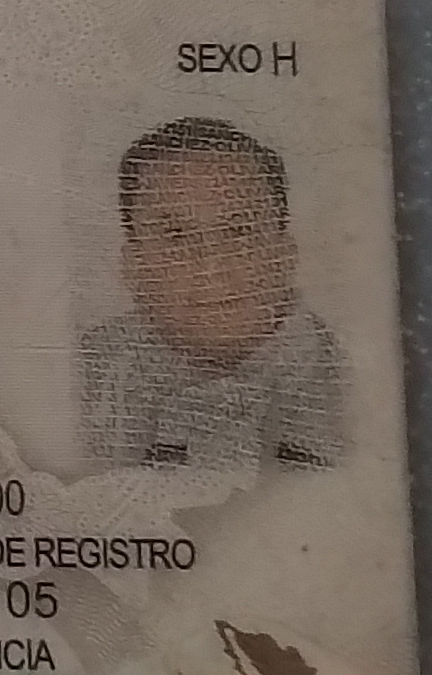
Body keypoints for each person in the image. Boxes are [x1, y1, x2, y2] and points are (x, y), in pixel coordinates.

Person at [78, 117, 344, 477]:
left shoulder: (363, 385)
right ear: (133, 265)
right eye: (176, 236)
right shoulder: (79, 376)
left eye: (240, 232)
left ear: (285, 255)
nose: (211, 268)